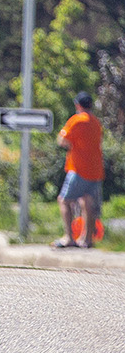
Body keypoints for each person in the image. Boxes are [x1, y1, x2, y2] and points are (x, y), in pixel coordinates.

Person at [55, 92, 104, 248]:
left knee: (64, 200)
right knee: (87, 203)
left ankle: (69, 237)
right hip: (96, 170)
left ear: (78, 105)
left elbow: (62, 140)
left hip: (78, 169)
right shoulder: (96, 123)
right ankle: (87, 239)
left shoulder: (76, 120)